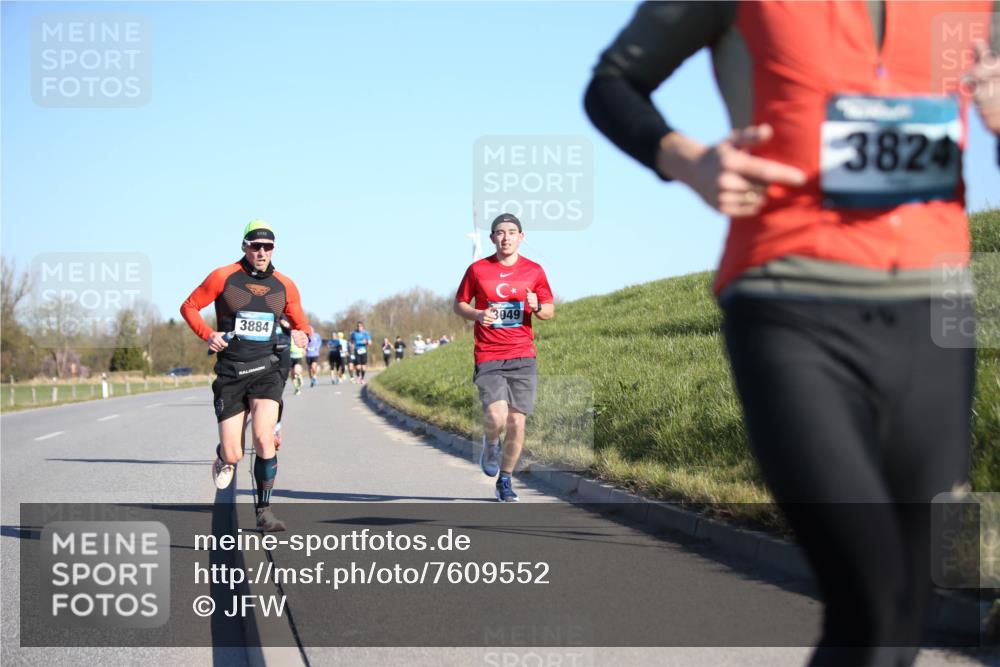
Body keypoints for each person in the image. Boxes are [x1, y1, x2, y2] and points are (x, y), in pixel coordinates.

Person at [585, 3, 999, 664]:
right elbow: (612, 82)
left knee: (905, 605)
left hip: (936, 312)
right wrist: (689, 162)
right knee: (870, 589)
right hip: (791, 303)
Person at [181, 220, 312, 532]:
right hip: (231, 372)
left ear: (274, 249)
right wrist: (207, 334)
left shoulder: (285, 284)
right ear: (245, 247)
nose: (261, 252)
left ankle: (264, 512)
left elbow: (301, 322)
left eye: (267, 246)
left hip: (267, 369)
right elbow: (189, 307)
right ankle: (223, 456)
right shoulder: (223, 277)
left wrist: (303, 334)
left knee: (265, 439)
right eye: (256, 246)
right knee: (234, 452)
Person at [454, 213, 554, 502]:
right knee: (496, 416)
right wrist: (477, 314)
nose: (506, 237)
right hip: (488, 354)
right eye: (500, 232)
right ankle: (490, 443)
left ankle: (506, 480)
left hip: (523, 354)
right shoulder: (477, 270)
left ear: (521, 237)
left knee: (517, 423)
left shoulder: (534, 271)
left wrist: (537, 307)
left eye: (512, 232)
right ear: (492, 238)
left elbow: (549, 311)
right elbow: (459, 304)